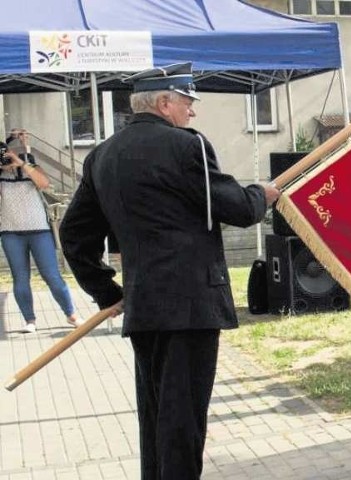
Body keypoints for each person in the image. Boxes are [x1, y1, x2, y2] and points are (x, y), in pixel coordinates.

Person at [59, 63, 280, 479]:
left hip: (145, 305)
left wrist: (108, 292)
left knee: (157, 418)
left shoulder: (102, 155)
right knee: (183, 423)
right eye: (187, 103)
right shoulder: (185, 146)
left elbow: (73, 235)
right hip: (191, 304)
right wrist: (261, 196)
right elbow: (230, 205)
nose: (192, 113)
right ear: (164, 102)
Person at [0, 128, 80, 333]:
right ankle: (30, 320)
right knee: (20, 278)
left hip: (39, 231)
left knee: (52, 276)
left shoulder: (32, 168)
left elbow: (43, 184)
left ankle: (70, 313)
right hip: (11, 232)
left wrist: (22, 164)